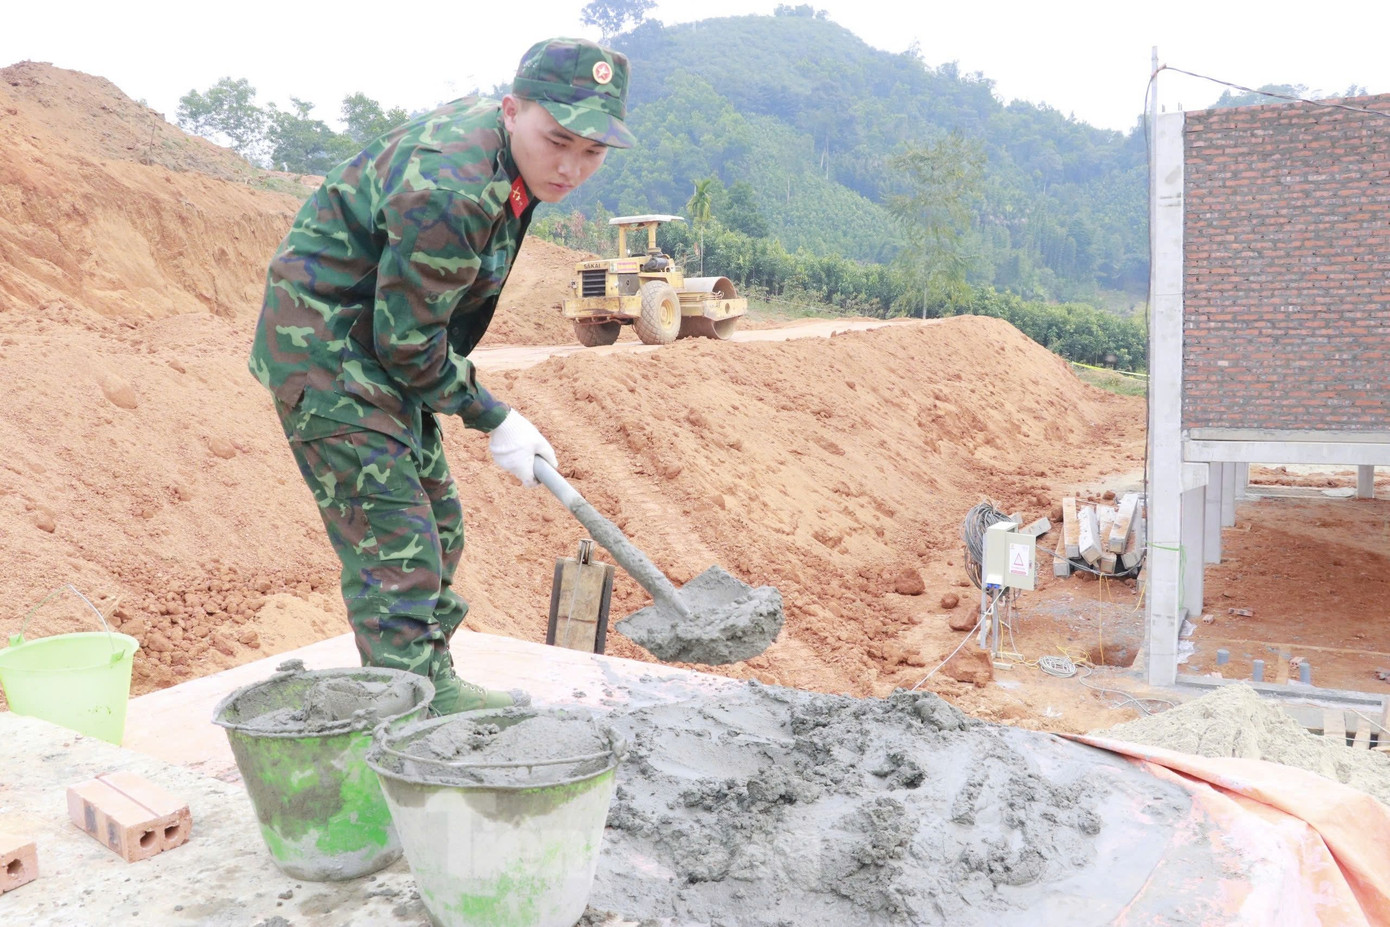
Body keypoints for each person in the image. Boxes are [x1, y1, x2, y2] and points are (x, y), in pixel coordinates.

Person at [248, 37, 635, 715]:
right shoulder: (452, 184)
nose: (572, 167)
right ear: (513, 110)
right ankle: (411, 716)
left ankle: (424, 684)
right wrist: (492, 414)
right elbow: (408, 343)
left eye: (593, 152)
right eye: (558, 141)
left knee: (441, 524)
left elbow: (414, 333)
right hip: (326, 346)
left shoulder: (510, 155)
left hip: (377, 344)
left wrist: (474, 405)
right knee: (396, 543)